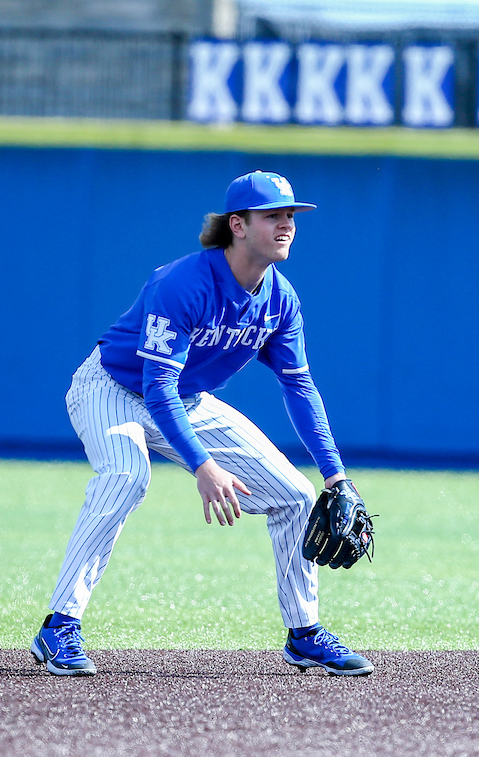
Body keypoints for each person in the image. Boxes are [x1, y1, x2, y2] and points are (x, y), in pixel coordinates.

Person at [31, 170, 374, 677]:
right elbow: (155, 386)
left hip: (187, 399)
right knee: (127, 477)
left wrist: (336, 476)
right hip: (113, 388)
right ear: (237, 225)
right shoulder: (183, 283)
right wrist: (202, 466)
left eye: (291, 216)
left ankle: (304, 634)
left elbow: (300, 388)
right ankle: (59, 627)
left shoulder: (281, 300)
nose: (287, 225)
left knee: (298, 498)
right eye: (273, 215)